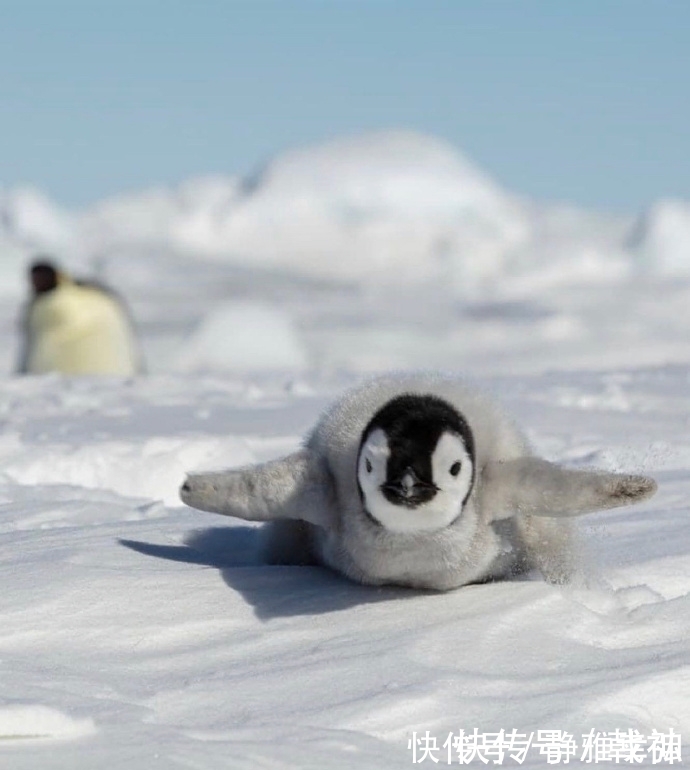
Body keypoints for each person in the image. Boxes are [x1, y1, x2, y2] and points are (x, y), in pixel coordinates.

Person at [17, 259, 145, 376]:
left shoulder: (80, 298)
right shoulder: (97, 297)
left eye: (42, 278)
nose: (37, 282)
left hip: (107, 380)